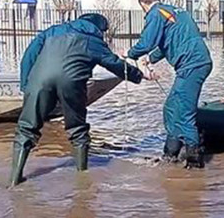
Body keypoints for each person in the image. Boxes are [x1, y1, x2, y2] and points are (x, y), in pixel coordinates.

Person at [10, 13, 144, 186]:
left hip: (39, 81)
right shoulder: (93, 41)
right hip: (72, 84)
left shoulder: (51, 31)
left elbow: (29, 56)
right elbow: (114, 64)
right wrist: (138, 75)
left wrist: (26, 85)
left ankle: (14, 179)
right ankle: (82, 180)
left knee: (26, 128)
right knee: (77, 129)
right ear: (99, 29)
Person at [126, 0, 213, 168]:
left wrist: (130, 54)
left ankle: (194, 161)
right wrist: (150, 59)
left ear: (144, 3)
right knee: (171, 108)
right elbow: (169, 41)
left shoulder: (156, 13)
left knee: (184, 113)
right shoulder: (176, 11)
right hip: (196, 63)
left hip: (192, 66)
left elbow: (146, 43)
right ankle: (170, 154)